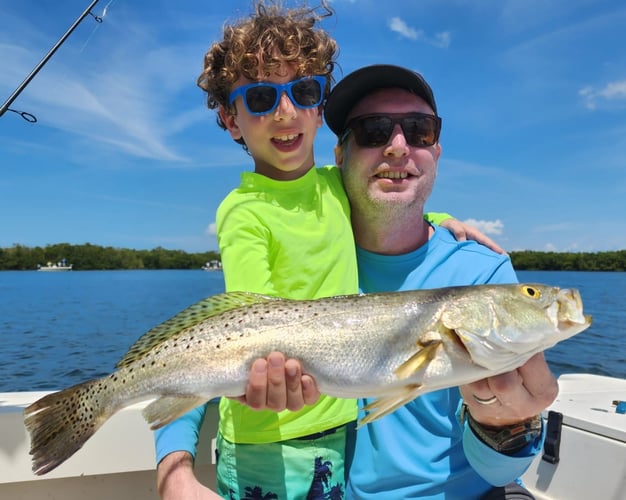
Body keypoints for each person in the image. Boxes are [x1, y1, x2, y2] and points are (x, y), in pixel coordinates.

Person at [153, 3, 498, 499]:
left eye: (304, 92)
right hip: (268, 436)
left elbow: (393, 195)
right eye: (261, 97)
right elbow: (250, 320)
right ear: (231, 119)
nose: (286, 111)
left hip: (334, 425)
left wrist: (442, 221)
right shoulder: (243, 209)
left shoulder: (337, 185)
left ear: (319, 108)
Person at [244, 63, 558, 500]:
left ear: (437, 151)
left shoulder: (482, 274)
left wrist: (508, 424)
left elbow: (495, 472)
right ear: (339, 156)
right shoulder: (302, 255)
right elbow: (212, 345)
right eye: (372, 130)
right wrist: (176, 467)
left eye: (418, 130)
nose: (397, 146)